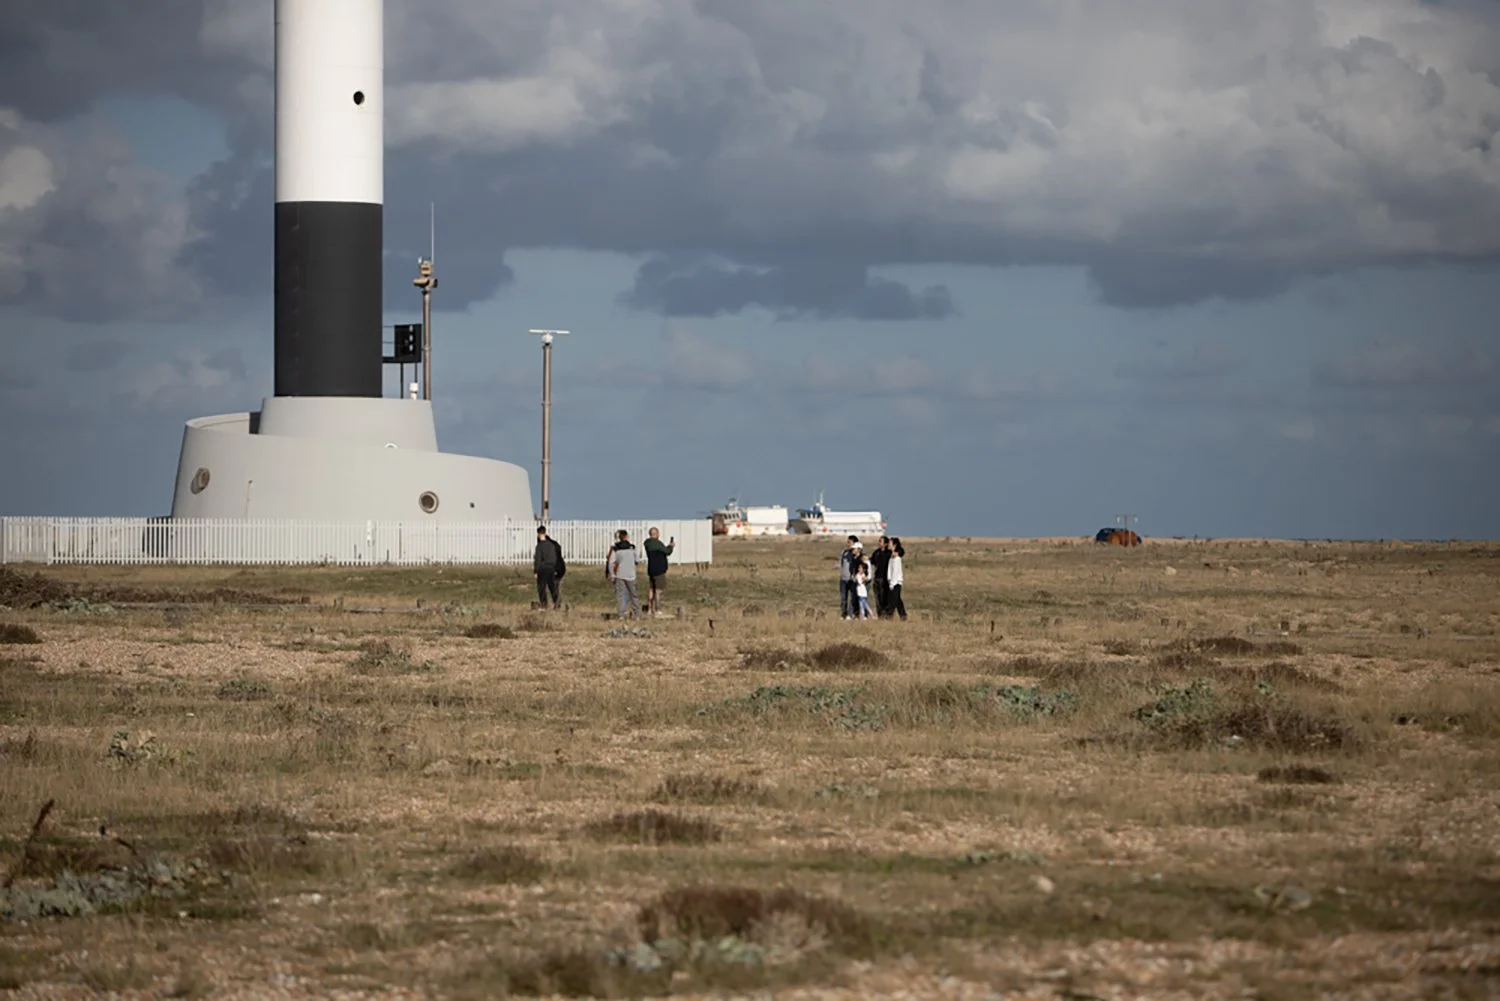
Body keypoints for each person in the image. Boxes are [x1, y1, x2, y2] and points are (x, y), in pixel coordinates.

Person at [606, 529, 642, 620]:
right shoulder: (632, 548)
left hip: (620, 574)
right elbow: (637, 560)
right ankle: (636, 614)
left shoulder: (616, 549)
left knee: (620, 595)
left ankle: (621, 614)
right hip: (631, 574)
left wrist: (612, 574)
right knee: (634, 595)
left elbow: (611, 562)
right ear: (626, 537)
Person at [644, 526, 675, 617]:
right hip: (659, 570)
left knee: (651, 589)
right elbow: (667, 551)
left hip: (651, 569)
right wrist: (671, 546)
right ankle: (657, 609)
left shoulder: (647, 544)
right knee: (658, 591)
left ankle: (650, 609)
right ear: (656, 534)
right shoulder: (657, 543)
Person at [533, 524, 566, 609]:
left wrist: (536, 571)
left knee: (542, 588)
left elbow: (538, 559)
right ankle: (557, 602)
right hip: (551, 568)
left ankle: (544, 605)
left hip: (542, 569)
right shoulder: (551, 545)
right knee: (552, 587)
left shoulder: (539, 546)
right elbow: (554, 558)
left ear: (539, 534)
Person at [869, 536, 893, 619]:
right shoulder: (876, 552)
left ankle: (887, 614)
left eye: (881, 541)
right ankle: (880, 615)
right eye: (879, 541)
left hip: (885, 579)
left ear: (885, 544)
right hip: (877, 578)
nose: (879, 543)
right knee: (877, 598)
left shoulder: (889, 553)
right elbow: (871, 561)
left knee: (885, 597)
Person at [838, 536, 862, 619]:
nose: (848, 544)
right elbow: (840, 563)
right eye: (847, 542)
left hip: (852, 579)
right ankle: (843, 614)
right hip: (843, 579)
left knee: (852, 598)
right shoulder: (844, 552)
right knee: (843, 598)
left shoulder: (856, 554)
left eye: (849, 542)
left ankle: (850, 614)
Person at [887, 537, 908, 621]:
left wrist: (892, 583)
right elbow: (890, 570)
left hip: (896, 583)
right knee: (898, 600)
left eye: (890, 543)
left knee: (893, 600)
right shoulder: (891, 557)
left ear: (894, 545)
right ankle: (903, 615)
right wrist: (889, 579)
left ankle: (889, 616)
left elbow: (895, 571)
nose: (888, 544)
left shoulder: (897, 558)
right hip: (891, 582)